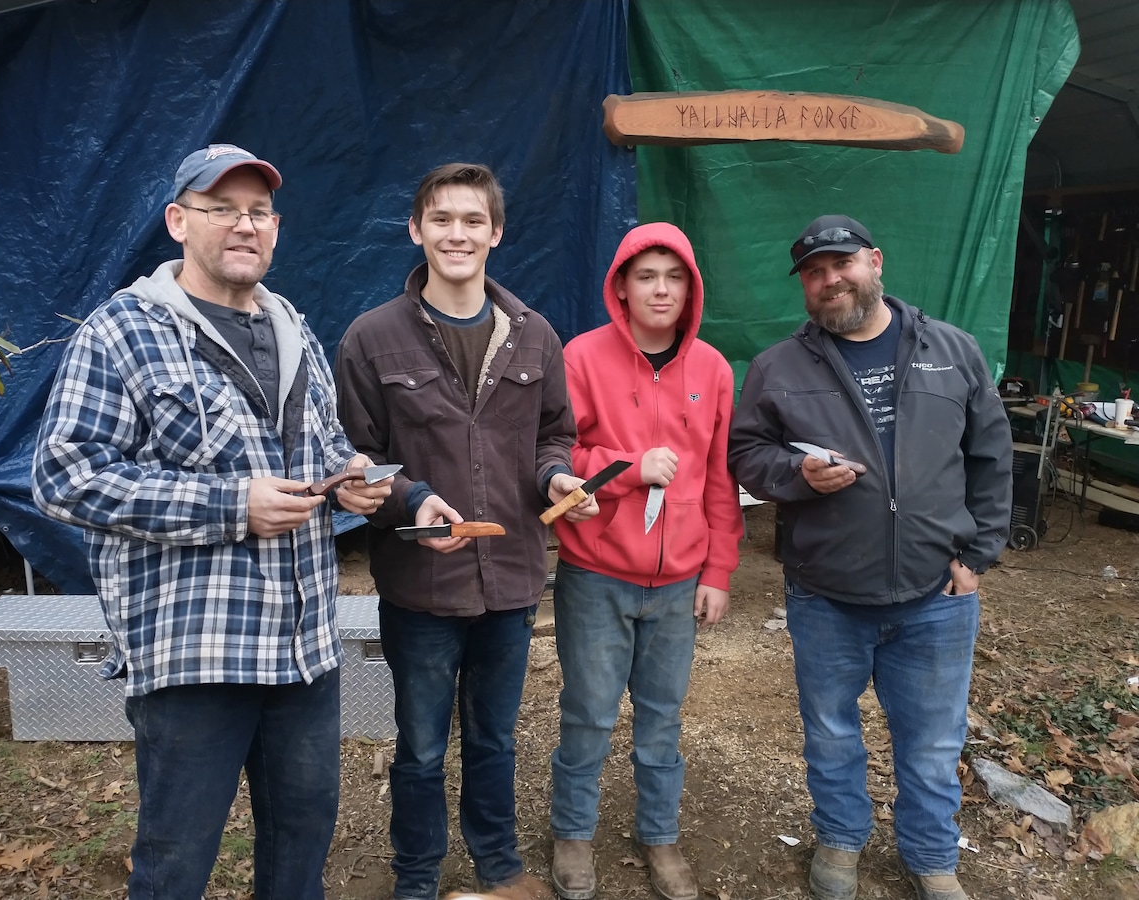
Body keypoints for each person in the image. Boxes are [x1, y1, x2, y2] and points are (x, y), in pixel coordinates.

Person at [32, 144, 391, 900]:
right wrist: (232, 506)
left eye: (257, 211)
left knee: (300, 851)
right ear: (177, 221)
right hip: (196, 654)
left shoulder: (292, 327)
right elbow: (64, 476)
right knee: (175, 862)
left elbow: (324, 449)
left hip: (303, 650)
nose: (243, 224)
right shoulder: (123, 332)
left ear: (277, 227)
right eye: (220, 208)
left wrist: (354, 482)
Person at [728, 215, 1012, 900]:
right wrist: (798, 478)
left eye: (842, 264)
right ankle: (840, 841)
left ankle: (931, 857)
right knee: (830, 734)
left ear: (875, 261)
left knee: (934, 742)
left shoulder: (952, 350)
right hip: (826, 591)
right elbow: (746, 454)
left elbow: (992, 455)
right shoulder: (779, 368)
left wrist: (976, 555)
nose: (830, 281)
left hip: (936, 595)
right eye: (814, 273)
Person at [334, 162, 596, 900]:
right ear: (416, 231)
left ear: (497, 233)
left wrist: (555, 479)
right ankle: (415, 875)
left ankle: (498, 864)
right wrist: (410, 498)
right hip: (421, 584)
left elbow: (553, 435)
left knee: (494, 739)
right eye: (442, 219)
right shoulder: (371, 339)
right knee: (419, 747)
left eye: (473, 220)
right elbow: (354, 461)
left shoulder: (535, 337)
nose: (458, 234)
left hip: (510, 577)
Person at [547, 223, 743, 900]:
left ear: (691, 288)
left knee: (663, 718)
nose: (661, 289)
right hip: (596, 574)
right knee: (590, 713)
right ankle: (573, 833)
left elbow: (720, 478)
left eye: (675, 277)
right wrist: (626, 468)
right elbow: (555, 457)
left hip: (678, 581)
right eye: (647, 276)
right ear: (621, 287)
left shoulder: (713, 369)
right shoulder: (581, 357)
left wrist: (717, 570)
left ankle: (659, 836)